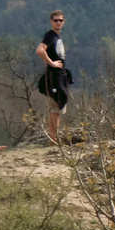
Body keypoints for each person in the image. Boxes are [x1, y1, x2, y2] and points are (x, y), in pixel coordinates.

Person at [35, 9, 71, 144]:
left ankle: (54, 137)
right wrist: (51, 63)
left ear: (64, 22)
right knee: (55, 107)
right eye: (56, 20)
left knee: (58, 107)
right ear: (51, 22)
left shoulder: (57, 36)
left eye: (61, 20)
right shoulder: (50, 36)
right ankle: (53, 138)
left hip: (60, 76)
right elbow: (40, 50)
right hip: (54, 77)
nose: (58, 23)